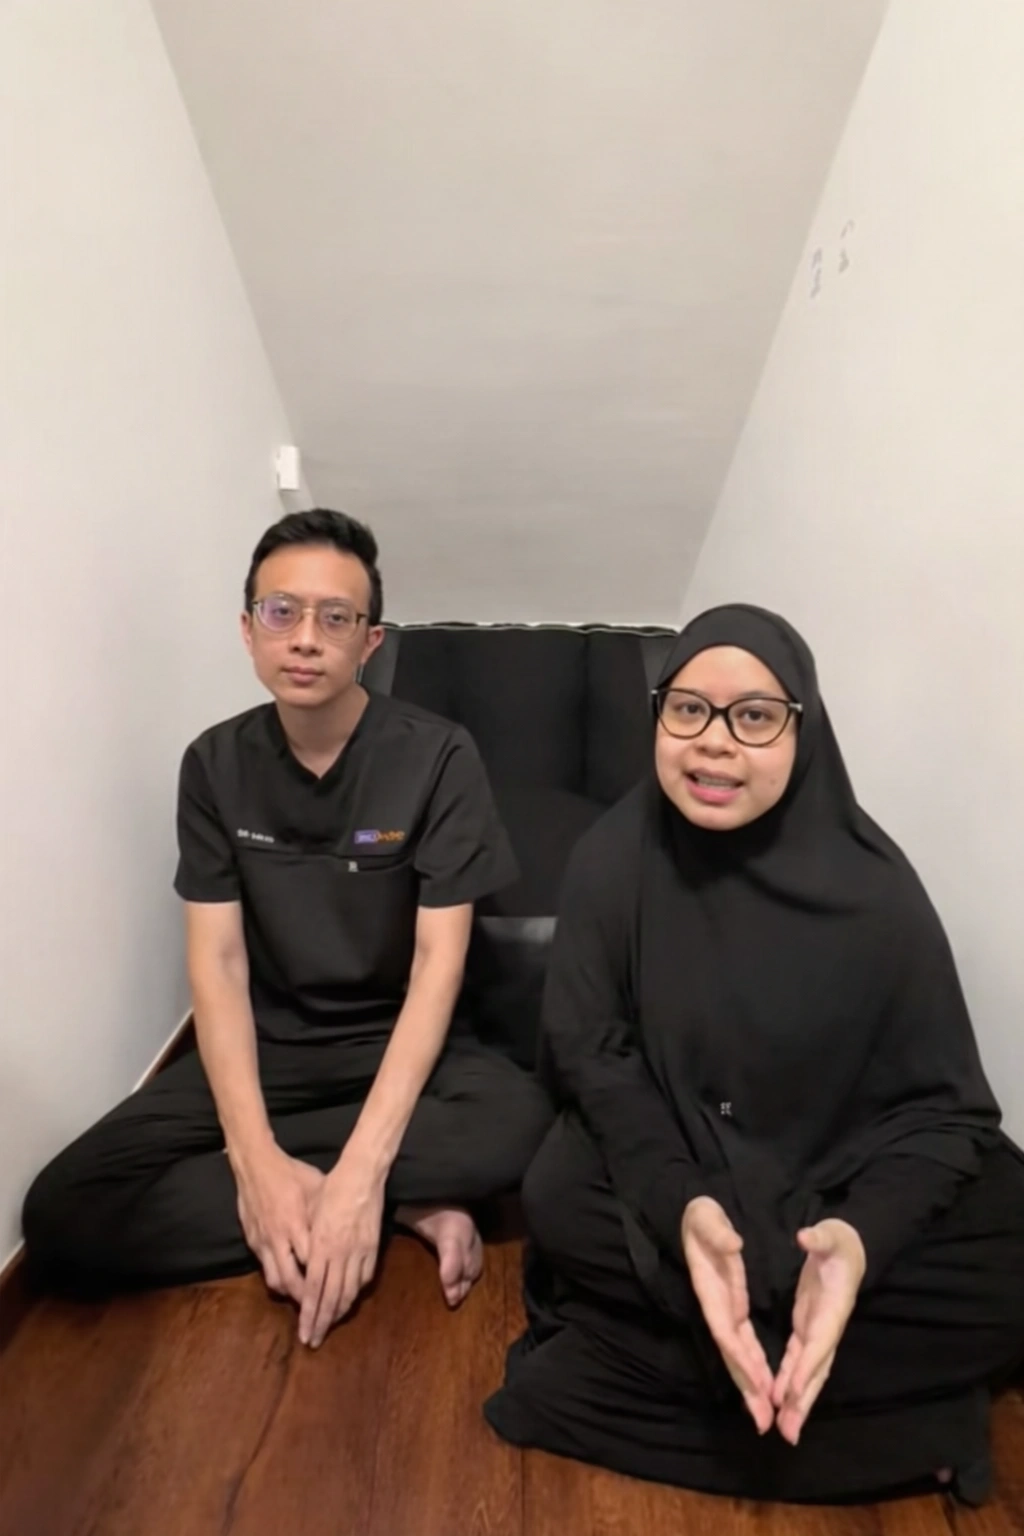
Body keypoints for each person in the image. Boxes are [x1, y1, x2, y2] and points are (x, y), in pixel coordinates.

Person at [485, 603, 1024, 1503]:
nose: (714, 744)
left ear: (804, 729)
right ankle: (902, 1425)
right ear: (658, 716)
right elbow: (593, 1055)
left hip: (840, 1171)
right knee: (557, 1194)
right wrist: (685, 1205)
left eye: (755, 716)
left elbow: (946, 1112)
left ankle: (623, 1380)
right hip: (677, 1153)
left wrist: (853, 1242)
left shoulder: (876, 892)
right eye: (687, 709)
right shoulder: (614, 860)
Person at [23, 509, 551, 1347]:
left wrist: (365, 1165)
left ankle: (362, 1190)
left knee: (532, 1134)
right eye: (282, 612)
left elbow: (438, 968)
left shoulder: (438, 756)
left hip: (403, 1047)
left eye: (335, 618)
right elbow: (219, 967)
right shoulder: (213, 764)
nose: (306, 638)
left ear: (369, 642)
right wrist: (254, 1160)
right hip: (267, 1051)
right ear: (248, 629)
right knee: (64, 1211)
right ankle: (399, 1206)